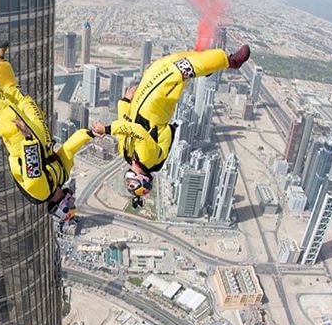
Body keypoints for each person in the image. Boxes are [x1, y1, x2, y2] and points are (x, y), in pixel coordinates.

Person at [0, 41, 95, 223]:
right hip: (38, 131)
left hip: (18, 135)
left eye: (70, 204)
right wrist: (90, 133)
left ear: (62, 207)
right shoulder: (61, 176)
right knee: (18, 95)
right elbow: (68, 150)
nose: (72, 199)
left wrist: (27, 138)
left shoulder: (41, 191)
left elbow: (32, 169)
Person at [92, 45, 250, 207]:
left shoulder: (125, 154)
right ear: (142, 180)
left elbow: (124, 123)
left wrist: (125, 101)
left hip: (140, 104)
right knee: (175, 72)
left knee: (159, 66)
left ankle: (205, 62)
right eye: (132, 185)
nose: (128, 182)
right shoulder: (147, 159)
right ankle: (229, 61)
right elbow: (137, 130)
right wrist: (107, 130)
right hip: (156, 108)